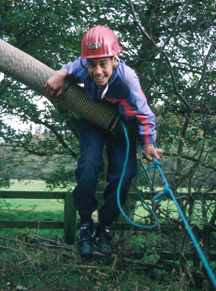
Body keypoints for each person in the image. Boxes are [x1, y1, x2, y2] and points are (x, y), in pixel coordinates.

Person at [44, 25, 163, 256]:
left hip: (122, 126)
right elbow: (72, 66)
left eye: (103, 64)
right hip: (93, 120)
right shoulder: (82, 65)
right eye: (91, 64)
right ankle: (86, 224)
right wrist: (60, 74)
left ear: (115, 59)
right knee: (88, 167)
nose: (97, 71)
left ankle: (105, 227)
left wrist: (149, 142)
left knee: (124, 175)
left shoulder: (127, 80)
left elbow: (144, 113)